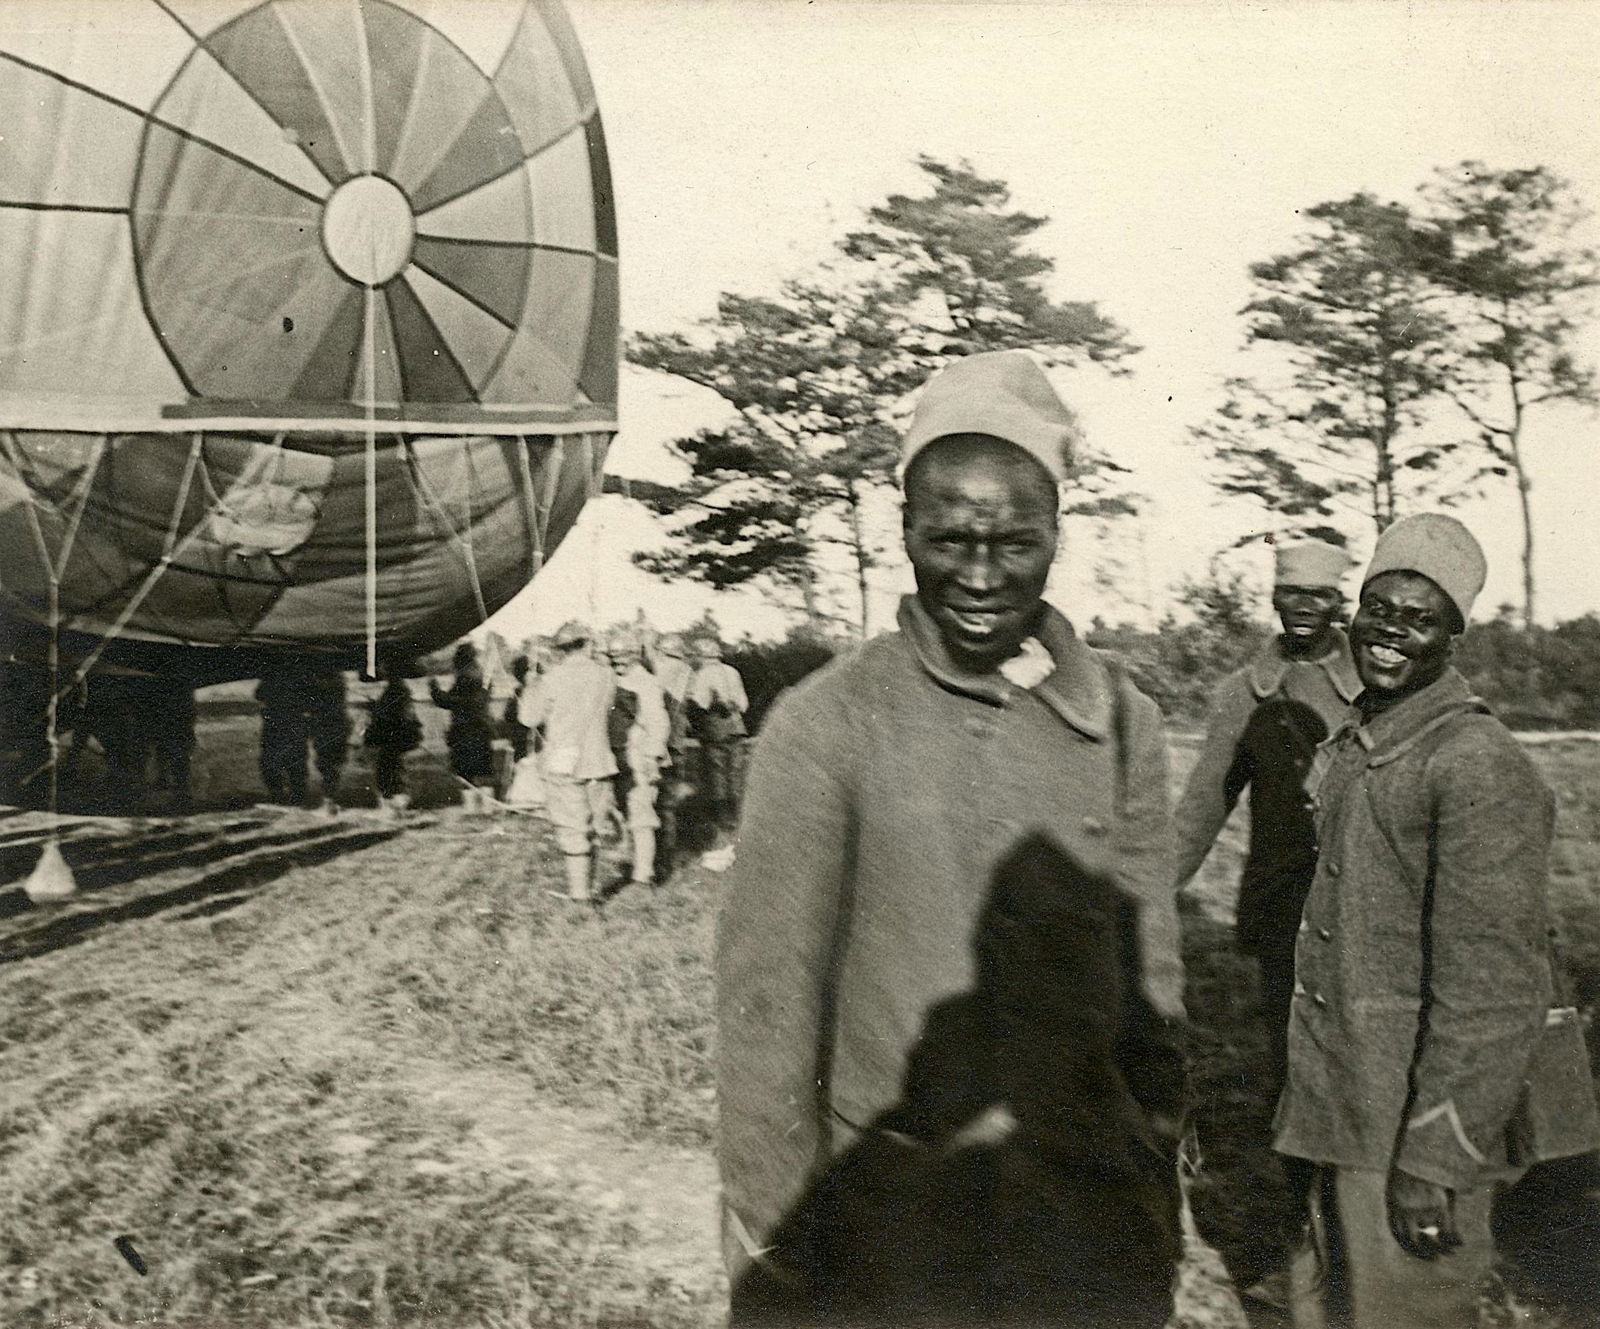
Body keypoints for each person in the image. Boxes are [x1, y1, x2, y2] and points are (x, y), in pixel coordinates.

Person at [717, 350, 1187, 1328]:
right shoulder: (829, 720)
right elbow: (768, 1006)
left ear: (1057, 530)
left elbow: (1153, 976)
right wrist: (774, 1231)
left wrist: (1151, 1170)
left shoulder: (1123, 719)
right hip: (897, 1220)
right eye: (949, 539)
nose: (978, 574)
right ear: (906, 531)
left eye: (1013, 542)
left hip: (1080, 1213)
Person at [1276, 513, 1600, 1329]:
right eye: (1377, 608)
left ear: (1454, 634)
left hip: (1412, 1121)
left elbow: (1493, 986)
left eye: (1419, 619)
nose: (1389, 633)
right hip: (1348, 1101)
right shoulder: (1366, 736)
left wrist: (1437, 1156)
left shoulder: (1476, 763)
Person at [1172, 539, 1359, 1099]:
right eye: (1292, 592)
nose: (1304, 606)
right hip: (1283, 899)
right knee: (1289, 1041)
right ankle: (1298, 1173)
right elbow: (1206, 802)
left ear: (1338, 601)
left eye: (1319, 595)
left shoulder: (1375, 687)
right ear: (1274, 596)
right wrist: (1144, 892)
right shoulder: (1242, 696)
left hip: (1364, 898)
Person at [518, 620, 616, 904]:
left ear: (560, 649)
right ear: (587, 644)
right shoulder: (607, 675)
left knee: (573, 829)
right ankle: (591, 889)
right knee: (595, 826)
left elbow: (528, 719)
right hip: (599, 760)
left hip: (562, 761)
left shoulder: (550, 678)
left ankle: (580, 896)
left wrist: (530, 686)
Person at [605, 629, 671, 889]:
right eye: (614, 656)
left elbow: (658, 723)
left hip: (640, 758)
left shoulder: (646, 682)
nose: (618, 661)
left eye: (623, 656)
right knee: (624, 813)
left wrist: (653, 757)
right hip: (619, 757)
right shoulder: (611, 679)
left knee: (642, 817)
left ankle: (644, 874)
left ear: (634, 655)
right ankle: (634, 860)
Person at [686, 634, 749, 831]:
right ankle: (739, 814)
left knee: (717, 773)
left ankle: (723, 818)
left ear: (701, 656)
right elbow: (743, 704)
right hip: (737, 726)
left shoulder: (703, 674)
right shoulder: (732, 671)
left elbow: (700, 703)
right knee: (736, 772)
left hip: (715, 728)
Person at [430, 642, 496, 812]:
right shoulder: (483, 676)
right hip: (482, 729)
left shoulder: (465, 678)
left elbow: (449, 701)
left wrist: (434, 689)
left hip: (465, 731)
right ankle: (488, 808)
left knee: (465, 771)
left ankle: (471, 808)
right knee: (483, 769)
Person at [363, 668, 423, 819]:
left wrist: (374, 709)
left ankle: (392, 810)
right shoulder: (400, 689)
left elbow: (387, 714)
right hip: (397, 738)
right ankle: (397, 807)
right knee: (394, 770)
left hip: (391, 739)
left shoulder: (394, 690)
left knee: (387, 772)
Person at [256, 667, 311, 807]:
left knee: (279, 761)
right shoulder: (301, 677)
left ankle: (283, 794)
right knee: (290, 761)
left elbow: (260, 696)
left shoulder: (271, 678)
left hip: (280, 725)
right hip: (286, 725)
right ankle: (289, 795)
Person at [304, 668, 351, 816]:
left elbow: (313, 707)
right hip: (339, 728)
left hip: (327, 731)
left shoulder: (323, 689)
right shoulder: (339, 683)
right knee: (332, 766)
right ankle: (330, 801)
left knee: (327, 766)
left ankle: (329, 804)